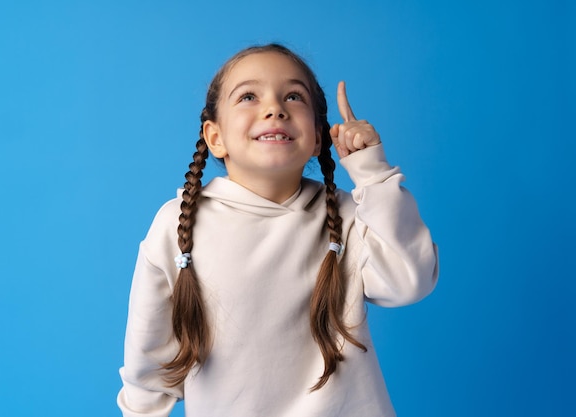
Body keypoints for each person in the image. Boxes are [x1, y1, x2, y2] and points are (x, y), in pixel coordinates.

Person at [117, 43, 439, 417]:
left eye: (293, 96)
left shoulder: (349, 215)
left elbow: (409, 281)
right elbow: (148, 366)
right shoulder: (177, 225)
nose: (275, 108)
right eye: (249, 96)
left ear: (318, 136)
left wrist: (372, 172)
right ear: (215, 136)